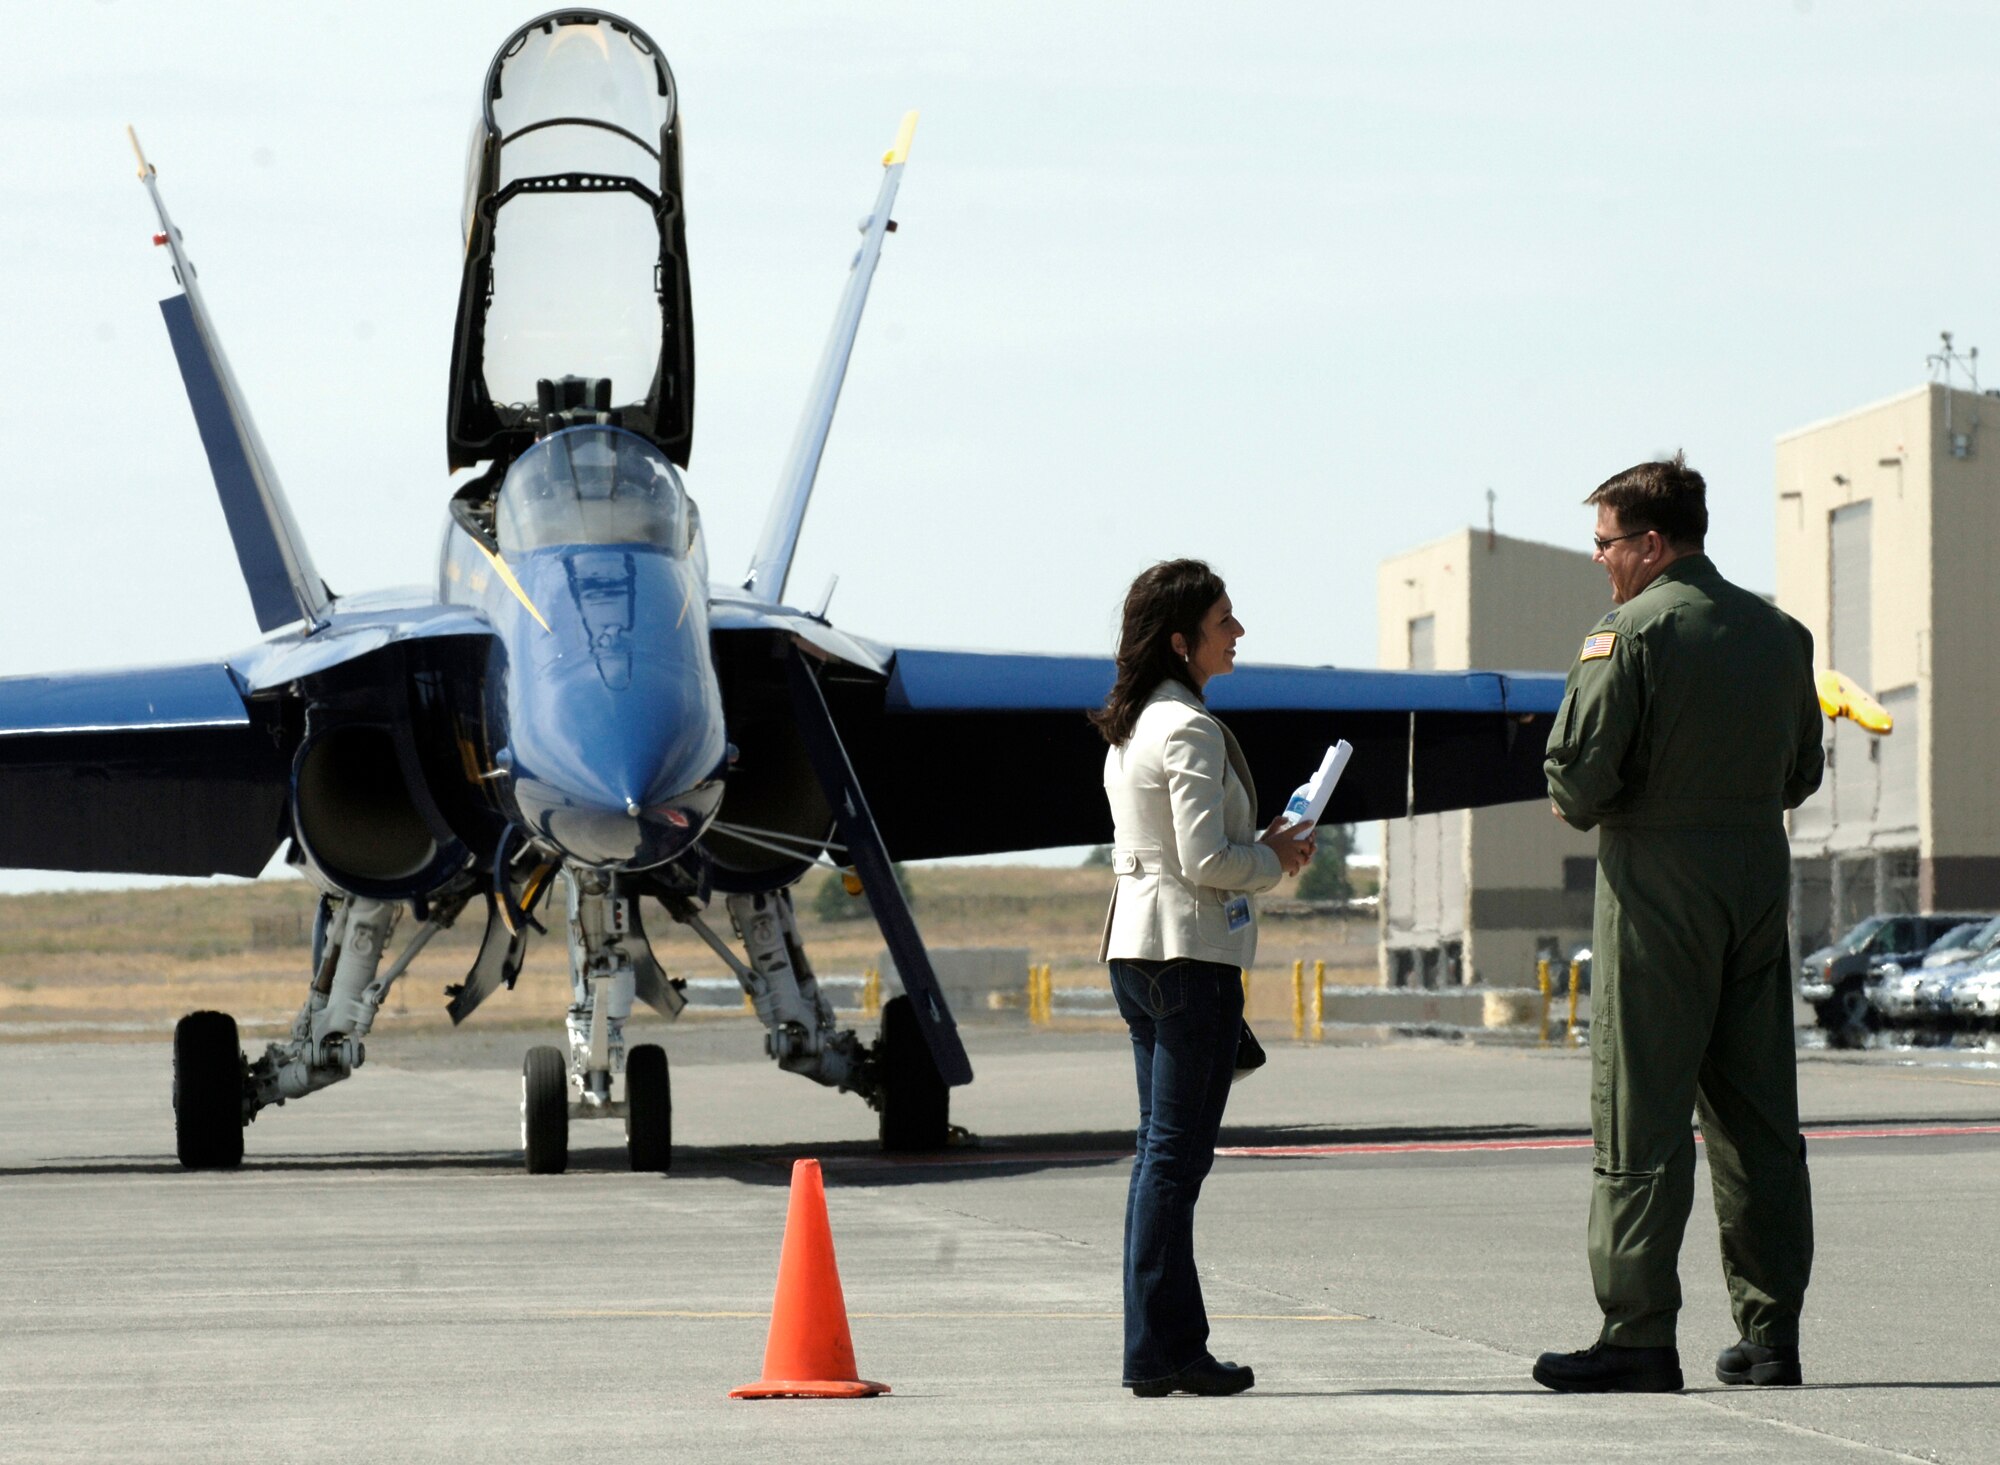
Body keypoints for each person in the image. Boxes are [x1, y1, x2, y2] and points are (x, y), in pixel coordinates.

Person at [1535, 454, 1824, 1394]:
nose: (1600, 560)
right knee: (1757, 1119)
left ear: (1651, 543)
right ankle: (1770, 1335)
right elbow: (1801, 777)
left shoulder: (1629, 633)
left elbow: (1575, 783)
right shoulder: (1782, 635)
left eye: (1607, 542)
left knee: (1641, 1111)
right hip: (1754, 879)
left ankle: (1637, 1333)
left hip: (1658, 885)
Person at [1091, 558, 1314, 1398]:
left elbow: (1179, 845)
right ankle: (1163, 1349)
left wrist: (1258, 841)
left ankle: (1164, 1345)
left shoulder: (1138, 723)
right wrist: (1277, 855)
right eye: (1225, 620)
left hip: (1137, 946)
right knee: (1173, 1162)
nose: (1239, 631)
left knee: (1160, 1157)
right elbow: (1208, 860)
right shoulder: (1185, 725)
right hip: (1187, 955)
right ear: (1183, 640)